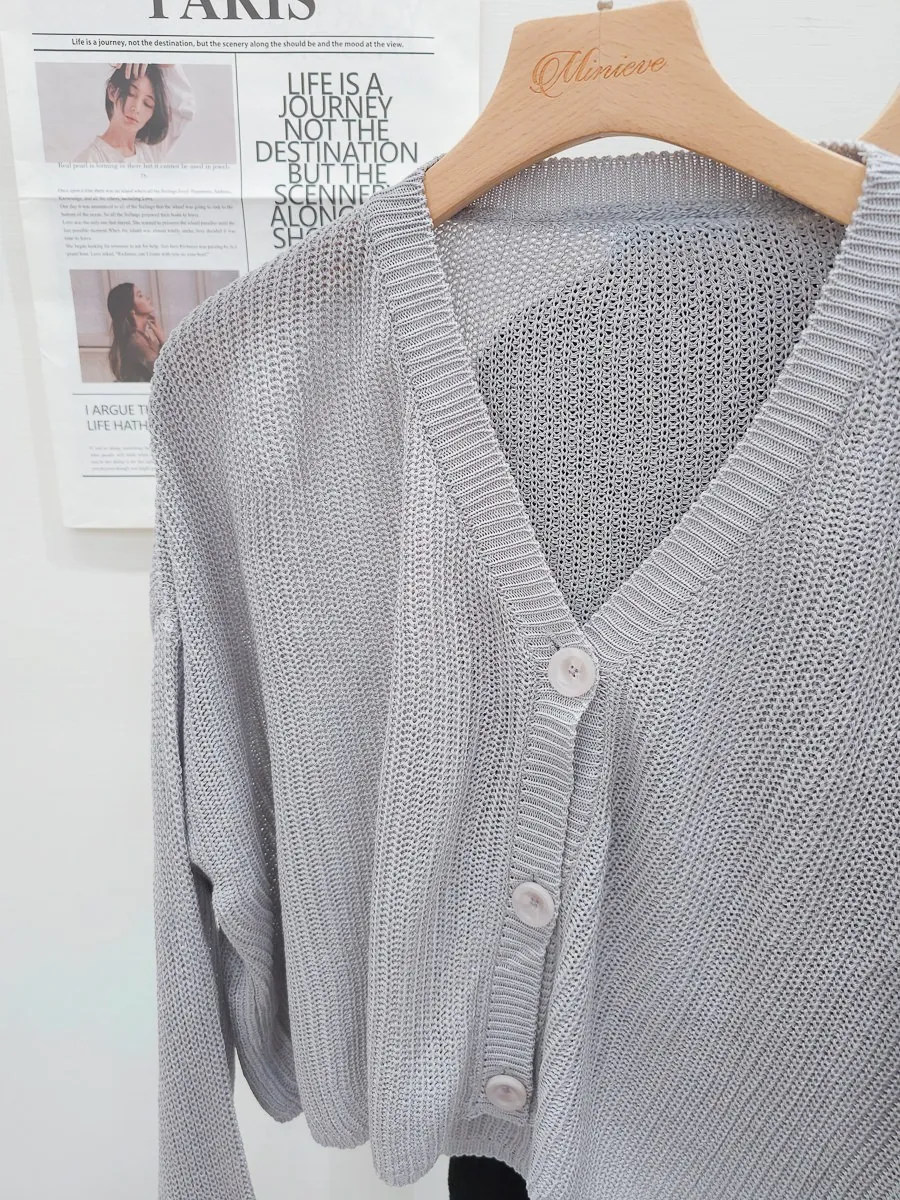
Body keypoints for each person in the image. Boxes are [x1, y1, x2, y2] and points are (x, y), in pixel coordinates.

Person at [74, 63, 195, 163]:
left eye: (147, 103)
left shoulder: (150, 152)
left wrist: (160, 57)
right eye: (131, 93)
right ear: (112, 91)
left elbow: (184, 110)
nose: (136, 108)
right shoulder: (89, 161)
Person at [106, 281, 166, 382]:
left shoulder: (140, 338)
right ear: (131, 310)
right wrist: (163, 340)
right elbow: (165, 373)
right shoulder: (136, 342)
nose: (147, 298)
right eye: (140, 296)